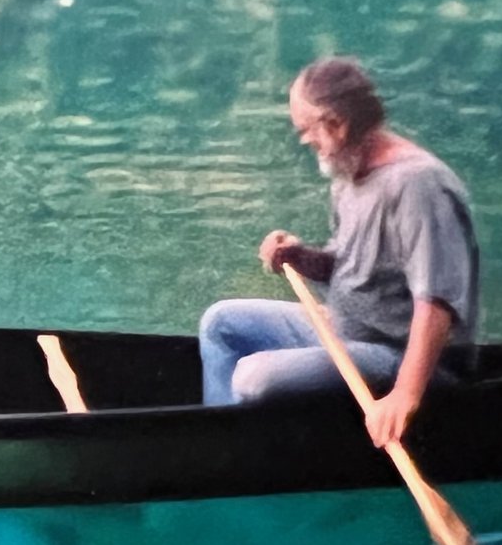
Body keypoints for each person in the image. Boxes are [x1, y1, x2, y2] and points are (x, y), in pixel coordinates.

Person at [199, 57, 478, 447]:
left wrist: (404, 395)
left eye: (306, 129)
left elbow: (438, 302)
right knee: (220, 323)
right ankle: (219, 443)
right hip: (344, 331)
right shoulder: (347, 170)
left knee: (253, 376)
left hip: (401, 355)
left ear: (337, 123)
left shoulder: (417, 185)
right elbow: (350, 267)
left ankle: (246, 457)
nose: (304, 140)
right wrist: (300, 257)